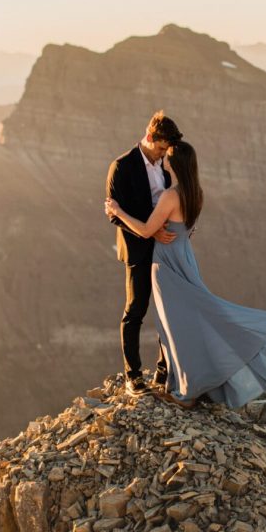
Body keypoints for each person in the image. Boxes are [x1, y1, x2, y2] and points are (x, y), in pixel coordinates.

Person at [105, 141, 266, 409]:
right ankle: (184, 382)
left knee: (174, 326)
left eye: (168, 157)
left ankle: (185, 392)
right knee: (191, 319)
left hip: (166, 263)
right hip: (185, 258)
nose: (164, 160)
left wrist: (118, 211)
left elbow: (145, 230)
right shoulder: (196, 193)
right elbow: (184, 229)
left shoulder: (171, 196)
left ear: (176, 163)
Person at [105, 111, 184, 396]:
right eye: (162, 148)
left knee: (166, 312)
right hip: (138, 251)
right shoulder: (121, 166)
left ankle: (163, 372)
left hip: (163, 250)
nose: (164, 154)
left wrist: (161, 229)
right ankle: (133, 376)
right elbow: (115, 214)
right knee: (135, 311)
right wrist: (149, 231)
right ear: (150, 137)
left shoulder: (163, 171)